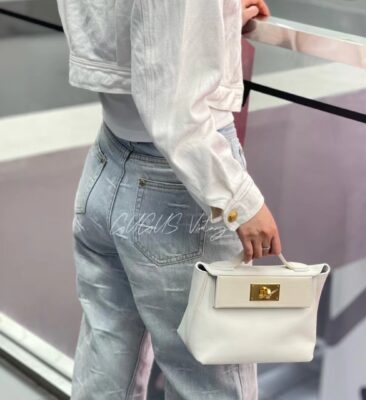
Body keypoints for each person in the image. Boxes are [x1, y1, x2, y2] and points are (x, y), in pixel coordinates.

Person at [56, 0, 281, 398]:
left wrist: (216, 16)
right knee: (211, 383)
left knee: (105, 363)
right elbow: (171, 104)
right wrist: (240, 200)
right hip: (181, 182)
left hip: (108, 158)